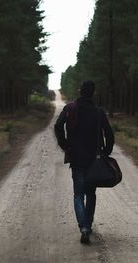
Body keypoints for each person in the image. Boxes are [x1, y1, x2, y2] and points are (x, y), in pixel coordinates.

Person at [54, 80, 114, 244]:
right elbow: (109, 133)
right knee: (91, 194)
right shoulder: (98, 112)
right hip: (94, 160)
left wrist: (65, 146)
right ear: (93, 93)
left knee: (78, 195)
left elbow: (58, 126)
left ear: (80, 91)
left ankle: (84, 228)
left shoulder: (70, 108)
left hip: (76, 158)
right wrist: (106, 152)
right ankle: (88, 224)